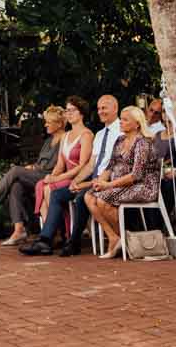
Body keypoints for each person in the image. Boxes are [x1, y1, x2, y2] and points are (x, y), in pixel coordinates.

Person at [19, 93, 122, 256]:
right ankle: (45, 240)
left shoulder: (120, 131)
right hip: (91, 179)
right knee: (58, 194)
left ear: (115, 108)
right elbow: (91, 164)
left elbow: (115, 163)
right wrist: (76, 180)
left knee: (81, 197)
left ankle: (73, 242)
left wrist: (79, 181)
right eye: (99, 108)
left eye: (105, 108)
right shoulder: (101, 134)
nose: (101, 111)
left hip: (111, 179)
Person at [0, 104, 66, 244]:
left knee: (15, 171)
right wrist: (32, 167)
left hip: (50, 177)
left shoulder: (65, 139)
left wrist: (37, 170)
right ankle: (19, 229)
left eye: (49, 122)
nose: (45, 125)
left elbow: (59, 166)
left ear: (60, 124)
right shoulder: (49, 140)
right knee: (16, 185)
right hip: (38, 173)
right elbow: (40, 162)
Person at [85, 106, 162, 258]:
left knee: (103, 200)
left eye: (125, 119)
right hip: (121, 184)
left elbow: (136, 175)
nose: (121, 122)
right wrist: (100, 181)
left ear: (137, 124)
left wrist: (108, 185)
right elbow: (110, 166)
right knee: (89, 196)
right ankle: (114, 237)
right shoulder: (120, 140)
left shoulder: (143, 142)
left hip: (143, 186)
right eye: (121, 118)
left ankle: (128, 241)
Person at [33, 97, 92, 225]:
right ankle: (49, 231)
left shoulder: (87, 135)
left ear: (81, 113)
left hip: (78, 178)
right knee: (41, 185)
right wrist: (52, 176)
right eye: (67, 110)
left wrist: (56, 179)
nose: (68, 113)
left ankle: (61, 230)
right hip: (65, 177)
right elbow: (60, 164)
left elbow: (82, 166)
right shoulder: (65, 136)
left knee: (49, 189)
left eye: (72, 110)